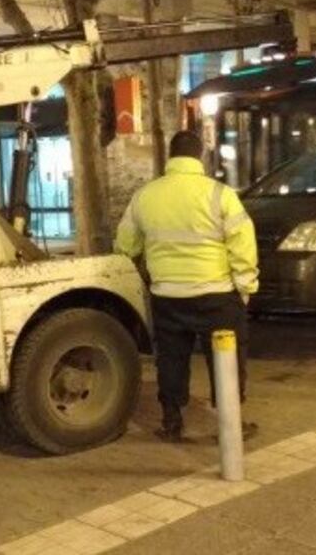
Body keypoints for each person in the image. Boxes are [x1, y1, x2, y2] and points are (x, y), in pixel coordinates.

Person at [114, 131, 259, 442]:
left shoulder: (145, 195)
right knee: (227, 359)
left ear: (171, 156)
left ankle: (172, 422)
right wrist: (245, 287)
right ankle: (230, 424)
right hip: (217, 295)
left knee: (171, 359)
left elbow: (125, 246)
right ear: (199, 156)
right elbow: (243, 243)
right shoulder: (220, 194)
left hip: (167, 296)